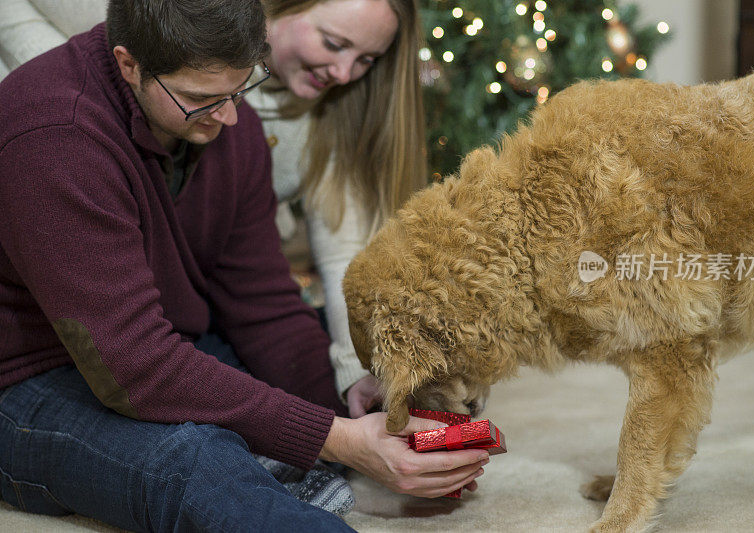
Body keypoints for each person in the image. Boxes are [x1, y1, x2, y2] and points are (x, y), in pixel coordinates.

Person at [0, 1, 488, 531]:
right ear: (129, 63)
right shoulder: (54, 134)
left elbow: (264, 309)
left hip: (161, 341)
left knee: (328, 359)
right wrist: (341, 441)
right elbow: (137, 368)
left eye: (239, 91)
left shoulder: (233, 125)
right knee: (194, 461)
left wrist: (352, 400)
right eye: (200, 99)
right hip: (25, 382)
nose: (229, 117)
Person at [246, 0, 429, 418]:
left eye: (366, 59)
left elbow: (343, 251)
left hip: (249, 289)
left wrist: (357, 370)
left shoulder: (334, 112)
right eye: (332, 43)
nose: (344, 75)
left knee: (324, 400)